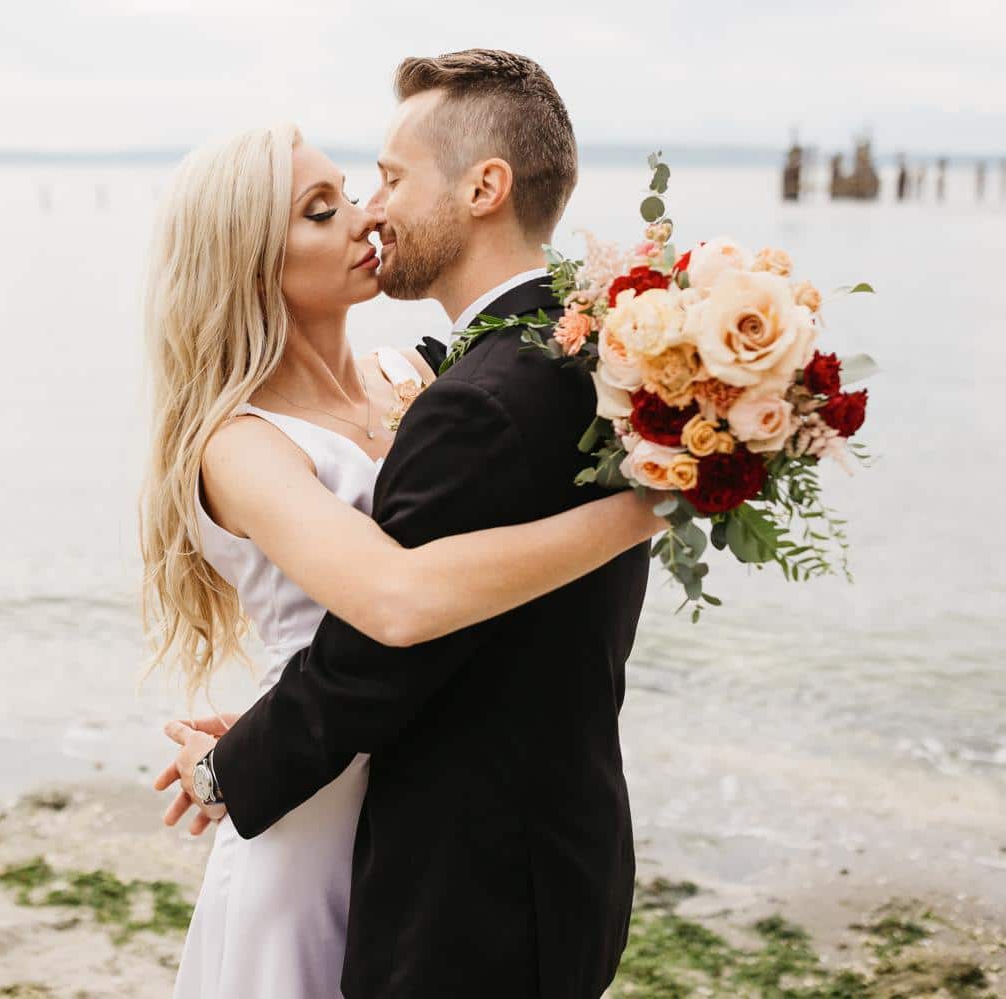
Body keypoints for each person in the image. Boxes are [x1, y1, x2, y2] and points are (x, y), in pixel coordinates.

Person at [148, 50, 656, 999]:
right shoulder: (242, 443)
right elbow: (394, 598)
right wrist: (645, 509)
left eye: (364, 189)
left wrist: (257, 735)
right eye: (324, 208)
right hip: (317, 808)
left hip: (410, 805)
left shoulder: (412, 384)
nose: (367, 216)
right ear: (250, 259)